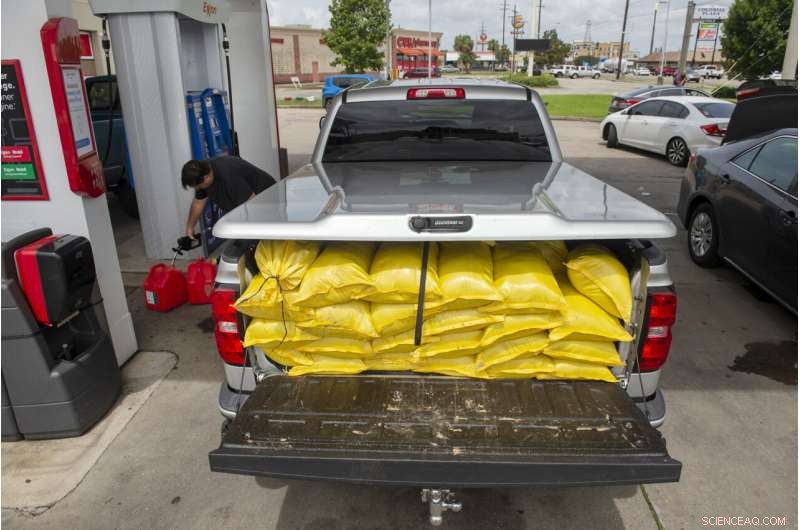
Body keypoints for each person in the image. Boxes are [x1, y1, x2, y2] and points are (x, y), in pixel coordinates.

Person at [181, 155, 276, 240]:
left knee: (267, 238)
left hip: (269, 199)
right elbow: (198, 203)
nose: (198, 189)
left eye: (198, 186)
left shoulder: (229, 176)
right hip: (249, 204)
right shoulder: (202, 172)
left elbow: (251, 205)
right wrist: (190, 227)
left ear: (207, 177)